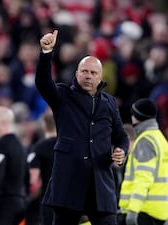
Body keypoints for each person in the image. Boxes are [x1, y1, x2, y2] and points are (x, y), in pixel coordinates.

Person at [35, 30, 129, 225]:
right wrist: (46, 53)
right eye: (84, 71)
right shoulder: (62, 95)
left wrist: (121, 150)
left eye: (93, 73)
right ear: (76, 73)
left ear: (100, 76)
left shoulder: (109, 103)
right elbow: (43, 82)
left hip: (100, 185)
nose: (88, 76)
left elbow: (121, 137)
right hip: (68, 184)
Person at [118, 98, 168, 225]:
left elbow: (143, 178)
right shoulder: (160, 138)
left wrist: (133, 211)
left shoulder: (145, 142)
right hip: (159, 211)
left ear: (137, 117)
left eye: (133, 114)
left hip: (143, 211)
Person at [27, 109, 57, 225]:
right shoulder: (69, 146)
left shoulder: (38, 148)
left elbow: (33, 180)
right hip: (68, 200)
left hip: (48, 199)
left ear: (44, 126)